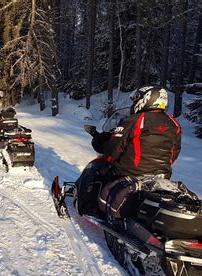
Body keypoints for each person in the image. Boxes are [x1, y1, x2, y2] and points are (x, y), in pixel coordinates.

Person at [75, 85, 181, 216]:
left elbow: (113, 149)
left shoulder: (134, 120)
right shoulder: (173, 123)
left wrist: (109, 159)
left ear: (147, 99)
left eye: (137, 98)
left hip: (129, 174)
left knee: (100, 169)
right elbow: (174, 153)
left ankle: (87, 207)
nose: (135, 102)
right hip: (162, 175)